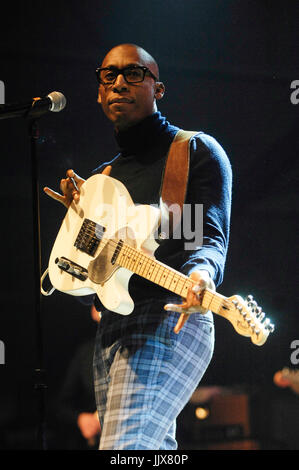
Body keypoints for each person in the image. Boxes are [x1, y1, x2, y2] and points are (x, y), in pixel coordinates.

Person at [44, 43, 232, 450]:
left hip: (173, 317)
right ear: (98, 91)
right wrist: (76, 235)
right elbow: (86, 292)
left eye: (134, 74)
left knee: (124, 449)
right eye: (108, 75)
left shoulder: (192, 152)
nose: (118, 84)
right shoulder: (101, 180)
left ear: (157, 88)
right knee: (150, 451)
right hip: (114, 329)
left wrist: (201, 275)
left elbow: (207, 240)